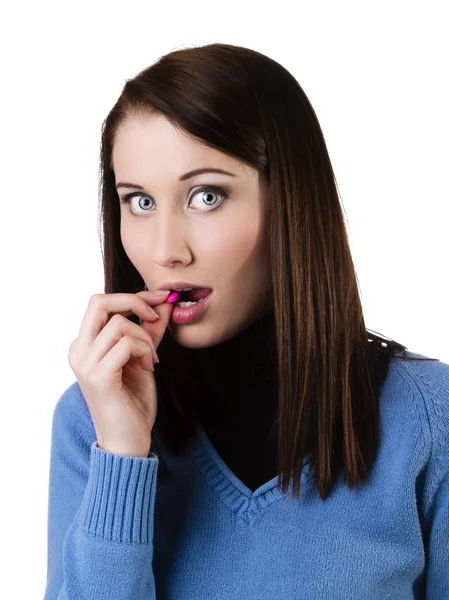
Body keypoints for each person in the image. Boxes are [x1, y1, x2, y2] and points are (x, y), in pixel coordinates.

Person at [43, 43, 449, 599]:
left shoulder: (428, 418)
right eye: (138, 202)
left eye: (206, 196)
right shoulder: (89, 422)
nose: (165, 250)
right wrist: (120, 455)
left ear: (291, 202)